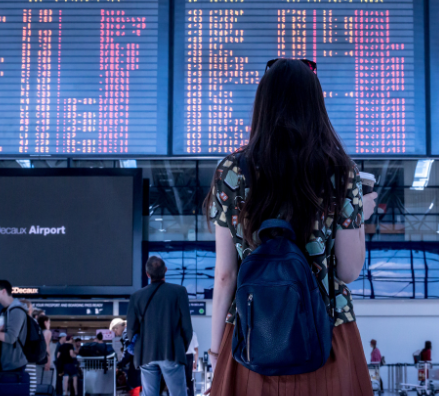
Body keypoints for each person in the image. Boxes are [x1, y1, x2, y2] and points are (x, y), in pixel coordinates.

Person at [204, 58, 378, 395]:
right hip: (326, 333)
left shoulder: (231, 170)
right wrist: (359, 220)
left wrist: (215, 350)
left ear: (263, 104)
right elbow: (349, 269)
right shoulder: (341, 171)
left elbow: (225, 275)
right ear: (316, 104)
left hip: (252, 334)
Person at [127, 256, 193, 396]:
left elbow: (131, 330)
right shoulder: (179, 292)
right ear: (166, 270)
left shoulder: (136, 296)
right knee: (178, 393)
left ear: (147, 274)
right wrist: (181, 347)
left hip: (145, 354)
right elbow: (187, 327)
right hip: (172, 352)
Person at [110, 319, 141, 396]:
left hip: (137, 363)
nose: (117, 334)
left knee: (135, 385)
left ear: (117, 327)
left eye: (115, 332)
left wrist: (119, 364)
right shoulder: (133, 328)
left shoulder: (126, 332)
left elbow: (128, 351)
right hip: (144, 360)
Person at [36, 316, 54, 389]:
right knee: (45, 381)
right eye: (49, 322)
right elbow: (46, 346)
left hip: (36, 358)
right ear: (45, 322)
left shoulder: (37, 331)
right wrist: (48, 360)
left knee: (37, 380)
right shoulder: (47, 332)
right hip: (43, 358)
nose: (49, 324)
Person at [185, 332, 199, 396]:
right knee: (189, 379)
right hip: (189, 358)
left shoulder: (177, 330)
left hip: (179, 357)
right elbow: (196, 349)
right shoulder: (193, 333)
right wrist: (195, 363)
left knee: (179, 379)